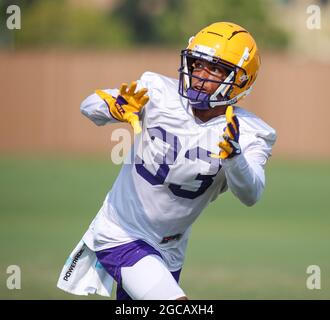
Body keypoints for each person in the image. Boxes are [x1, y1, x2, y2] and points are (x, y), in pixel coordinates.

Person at [57, 21, 276, 300]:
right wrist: (113, 107)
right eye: (197, 64)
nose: (199, 75)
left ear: (240, 80)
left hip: (169, 249)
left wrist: (234, 156)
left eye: (214, 69)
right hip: (121, 232)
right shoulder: (158, 91)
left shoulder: (252, 132)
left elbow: (251, 194)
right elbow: (88, 106)